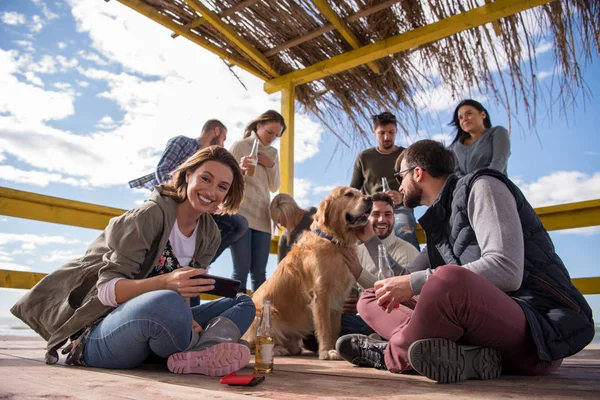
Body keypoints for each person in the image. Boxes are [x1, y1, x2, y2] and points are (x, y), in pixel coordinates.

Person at [336, 140, 594, 384]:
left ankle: (389, 354)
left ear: (417, 172)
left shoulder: (482, 187)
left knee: (446, 279)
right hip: (483, 340)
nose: (398, 187)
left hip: (536, 334)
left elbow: (506, 269)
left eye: (399, 176)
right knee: (372, 297)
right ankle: (464, 356)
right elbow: (402, 279)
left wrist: (418, 281)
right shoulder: (439, 223)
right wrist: (371, 241)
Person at [11, 146, 256, 377]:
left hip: (153, 324)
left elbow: (184, 294)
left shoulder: (209, 233)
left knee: (244, 302)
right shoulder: (147, 217)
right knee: (166, 300)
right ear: (189, 175)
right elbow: (106, 291)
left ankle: (200, 352)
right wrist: (166, 283)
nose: (212, 192)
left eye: (222, 187)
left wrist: (185, 316)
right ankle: (209, 347)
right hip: (100, 333)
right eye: (206, 178)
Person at [128, 119, 249, 267]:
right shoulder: (182, 142)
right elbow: (162, 172)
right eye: (224, 138)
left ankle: (198, 264)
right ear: (216, 131)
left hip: (200, 209)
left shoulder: (217, 162)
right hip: (172, 201)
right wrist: (188, 192)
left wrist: (213, 199)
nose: (223, 144)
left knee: (239, 224)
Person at [341, 192, 419, 337]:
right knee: (316, 326)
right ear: (367, 217)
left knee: (343, 328)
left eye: (388, 214)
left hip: (395, 317)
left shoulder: (407, 251)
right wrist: (343, 304)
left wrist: (360, 273)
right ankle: (377, 340)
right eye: (376, 214)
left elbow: (402, 297)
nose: (382, 219)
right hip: (363, 317)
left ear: (394, 218)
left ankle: (380, 339)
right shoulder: (358, 251)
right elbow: (351, 290)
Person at [230, 110, 285, 292]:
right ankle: (236, 315)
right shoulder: (240, 146)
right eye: (269, 132)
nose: (272, 138)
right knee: (241, 271)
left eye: (276, 136)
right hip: (241, 215)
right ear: (258, 125)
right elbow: (226, 180)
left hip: (263, 216)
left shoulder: (273, 153)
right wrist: (240, 168)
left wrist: (270, 165)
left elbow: (274, 186)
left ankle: (260, 317)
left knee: (259, 273)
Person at [350, 111, 419, 250]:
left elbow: (419, 187)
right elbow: (353, 192)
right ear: (374, 131)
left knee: (404, 232)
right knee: (357, 240)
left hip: (399, 208)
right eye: (382, 133)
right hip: (370, 209)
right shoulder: (364, 157)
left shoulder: (407, 155)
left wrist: (402, 196)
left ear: (396, 131)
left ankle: (414, 271)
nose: (387, 137)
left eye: (391, 132)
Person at [450, 99, 511, 178]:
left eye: (469, 114)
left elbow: (498, 163)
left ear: (483, 115)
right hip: (466, 189)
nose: (464, 119)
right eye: (460, 117)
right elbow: (456, 173)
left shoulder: (498, 133)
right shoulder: (456, 147)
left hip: (494, 185)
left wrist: (479, 182)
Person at [269, 193, 317, 263]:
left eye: (280, 220)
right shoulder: (284, 240)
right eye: (278, 222)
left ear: (288, 211)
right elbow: (282, 272)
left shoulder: (312, 214)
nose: (281, 224)